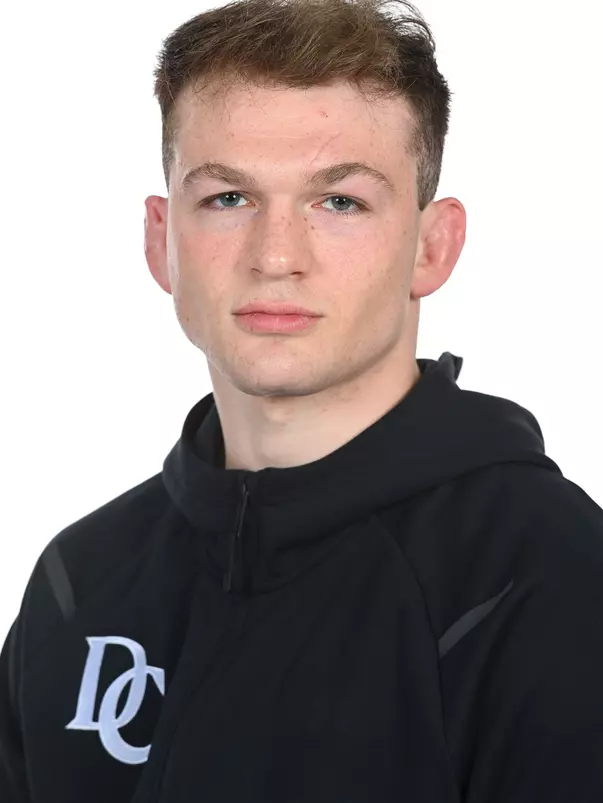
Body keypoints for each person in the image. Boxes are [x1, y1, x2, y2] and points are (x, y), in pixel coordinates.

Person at [2, 0, 603, 800]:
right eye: (227, 198)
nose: (276, 255)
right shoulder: (81, 580)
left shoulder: (547, 578)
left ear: (432, 246)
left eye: (340, 201)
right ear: (161, 238)